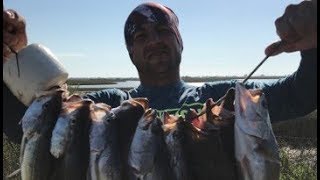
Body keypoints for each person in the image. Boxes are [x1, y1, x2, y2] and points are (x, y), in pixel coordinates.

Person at [3, 1, 317, 144]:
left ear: (179, 40)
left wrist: (313, 44)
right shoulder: (109, 105)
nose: (153, 40)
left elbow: (302, 95)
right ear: (130, 52)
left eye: (163, 30)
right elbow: (27, 129)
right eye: (140, 36)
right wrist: (16, 59)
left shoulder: (222, 98)